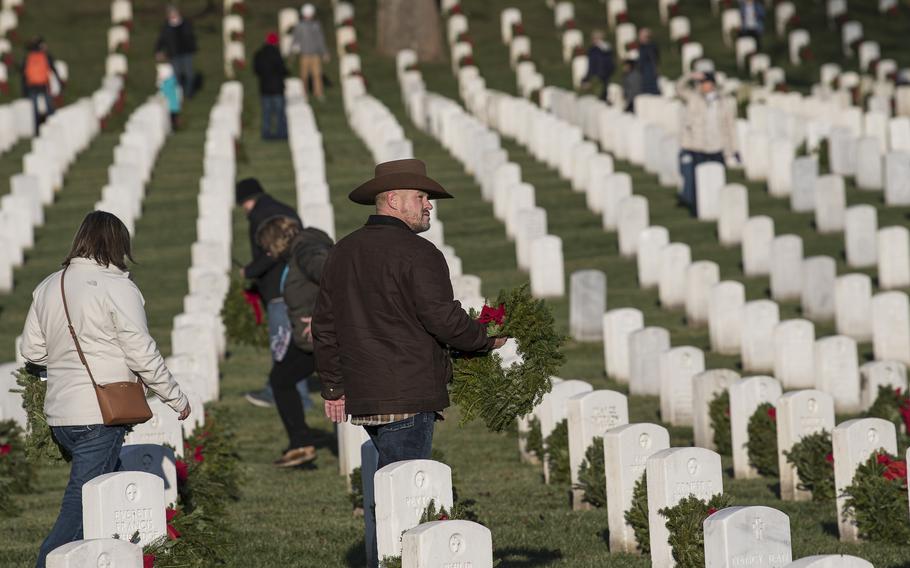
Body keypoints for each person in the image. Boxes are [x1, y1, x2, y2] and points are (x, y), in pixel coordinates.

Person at [22, 211, 191, 568]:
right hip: (100, 414)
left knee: (104, 500)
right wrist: (174, 396)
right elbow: (140, 350)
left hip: (61, 418)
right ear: (118, 244)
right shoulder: (117, 287)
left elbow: (32, 350)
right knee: (81, 506)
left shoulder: (50, 285)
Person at [256, 215, 333, 466]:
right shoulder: (301, 249)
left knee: (281, 380)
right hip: (309, 340)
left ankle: (302, 443)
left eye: (267, 248)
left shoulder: (306, 252)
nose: (268, 255)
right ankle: (300, 443)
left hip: (322, 338)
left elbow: (336, 278)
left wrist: (325, 318)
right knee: (281, 379)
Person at [235, 178, 311, 412]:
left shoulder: (262, 215)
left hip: (279, 290)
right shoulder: (284, 209)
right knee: (292, 343)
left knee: (283, 345)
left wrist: (250, 271)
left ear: (247, 201)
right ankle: (281, 390)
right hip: (296, 285)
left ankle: (295, 397)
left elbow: (272, 252)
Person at [676, 71, 738, 216]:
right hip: (698, 146)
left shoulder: (724, 103)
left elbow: (730, 127)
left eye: (706, 83)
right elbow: (679, 88)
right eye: (701, 83)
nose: (703, 86)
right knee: (698, 180)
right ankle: (699, 208)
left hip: (718, 146)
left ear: (713, 84)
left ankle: (719, 207)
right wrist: (690, 76)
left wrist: (734, 149)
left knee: (719, 179)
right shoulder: (693, 98)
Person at [155, 5, 198, 99]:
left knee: (189, 74)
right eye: (171, 14)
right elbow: (161, 40)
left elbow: (191, 37)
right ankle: (179, 93)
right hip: (174, 53)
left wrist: (193, 47)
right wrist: (158, 51)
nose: (173, 15)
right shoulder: (166, 27)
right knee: (177, 74)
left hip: (187, 52)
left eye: (175, 13)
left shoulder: (186, 23)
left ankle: (188, 93)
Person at [253, 31, 289, 140]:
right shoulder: (277, 54)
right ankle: (281, 133)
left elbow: (256, 70)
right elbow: (282, 69)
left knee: (266, 113)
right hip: (277, 88)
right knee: (279, 113)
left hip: (265, 87)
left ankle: (266, 133)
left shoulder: (259, 54)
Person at [20, 36, 60, 134]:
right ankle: (53, 127)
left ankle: (37, 130)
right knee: (49, 107)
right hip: (44, 85)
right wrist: (59, 82)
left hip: (31, 86)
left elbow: (24, 75)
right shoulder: (46, 56)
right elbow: (54, 70)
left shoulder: (28, 57)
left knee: (34, 110)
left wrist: (24, 91)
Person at [290, 3, 329, 101]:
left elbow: (320, 39)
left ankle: (318, 93)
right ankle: (304, 93)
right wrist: (292, 51)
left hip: (315, 54)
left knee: (317, 74)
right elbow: (296, 39)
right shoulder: (299, 26)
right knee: (304, 75)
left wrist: (324, 52)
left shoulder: (316, 25)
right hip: (304, 54)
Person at [581, 29, 615, 101]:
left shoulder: (598, 50)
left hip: (600, 75)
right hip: (601, 75)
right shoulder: (595, 50)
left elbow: (592, 65)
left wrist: (587, 79)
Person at [156, 57, 181, 130]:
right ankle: (174, 126)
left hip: (171, 104)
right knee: (172, 116)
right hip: (172, 104)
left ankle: (174, 127)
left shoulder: (168, 82)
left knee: (172, 117)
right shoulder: (171, 80)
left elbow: (164, 91)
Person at [636, 28, 661, 96]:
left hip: (649, 72)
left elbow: (655, 60)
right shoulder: (640, 47)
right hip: (642, 72)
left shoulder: (651, 47)